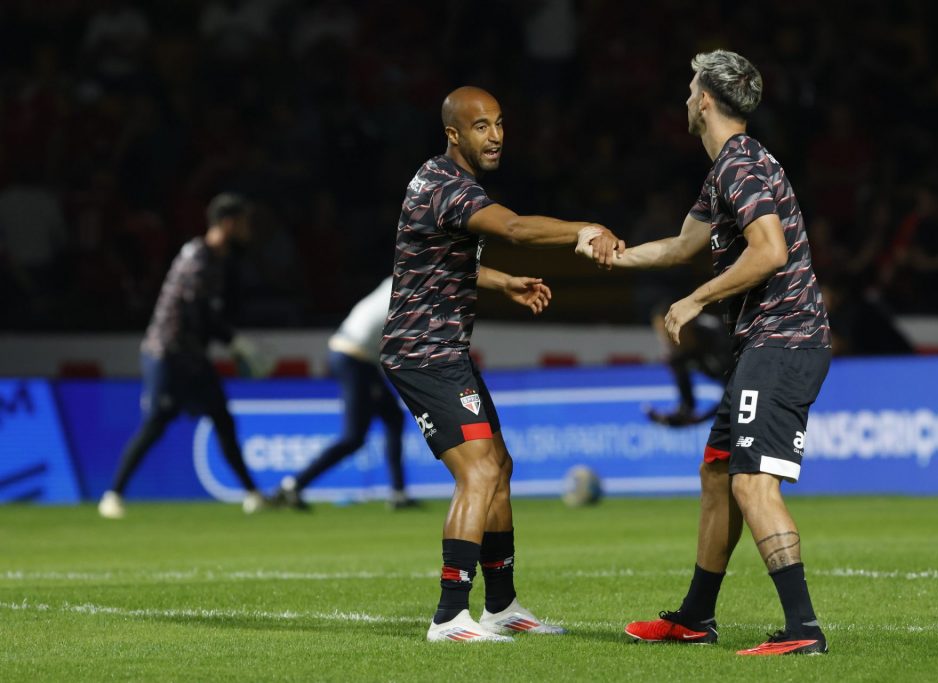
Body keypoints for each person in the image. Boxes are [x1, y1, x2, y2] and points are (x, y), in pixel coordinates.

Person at [577, 50, 832, 655]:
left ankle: (803, 629)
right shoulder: (730, 169)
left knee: (751, 484)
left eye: (690, 88)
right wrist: (616, 254)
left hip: (782, 339)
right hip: (764, 345)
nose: (685, 97)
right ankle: (695, 618)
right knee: (718, 471)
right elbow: (681, 246)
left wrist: (695, 300)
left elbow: (768, 250)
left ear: (706, 101)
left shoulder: (740, 165)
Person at [380, 86, 623, 643]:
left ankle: (502, 606)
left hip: (442, 350)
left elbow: (431, 265)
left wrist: (501, 281)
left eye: (499, 124)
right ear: (454, 134)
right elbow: (515, 229)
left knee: (500, 468)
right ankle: (448, 616)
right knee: (480, 472)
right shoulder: (449, 188)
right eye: (481, 126)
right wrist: (583, 230)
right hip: (424, 355)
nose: (495, 136)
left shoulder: (441, 181)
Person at [98, 193, 268, 519]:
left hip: (192, 355)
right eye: (244, 222)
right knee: (156, 424)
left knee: (222, 419)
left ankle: (253, 494)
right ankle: (112, 495)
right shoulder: (197, 257)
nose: (249, 229)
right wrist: (235, 343)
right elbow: (196, 313)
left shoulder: (219, 260)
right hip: (167, 354)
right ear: (228, 223)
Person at [271, 276, 417, 511]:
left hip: (354, 356)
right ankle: (292, 486)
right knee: (353, 438)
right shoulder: (412, 291)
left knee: (392, 417)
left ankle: (398, 494)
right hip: (354, 358)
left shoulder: (400, 279)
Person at [645, 302, 732, 427]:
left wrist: (703, 417)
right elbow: (688, 408)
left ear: (684, 322)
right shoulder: (676, 356)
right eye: (661, 333)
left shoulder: (716, 333)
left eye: (668, 329)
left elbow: (734, 390)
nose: (666, 337)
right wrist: (679, 418)